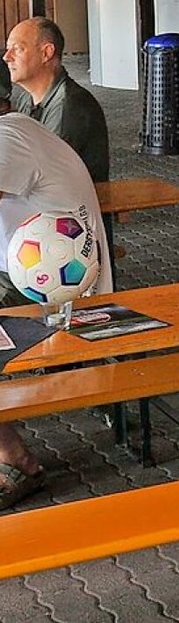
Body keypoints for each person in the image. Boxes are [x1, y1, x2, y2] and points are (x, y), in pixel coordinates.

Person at [0, 62, 112, 509]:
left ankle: (15, 458)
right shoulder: (18, 128)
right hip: (38, 275)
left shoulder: (9, 138)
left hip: (55, 294)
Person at [5, 16, 109, 182]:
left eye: (17, 49)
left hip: (73, 203)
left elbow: (43, 174)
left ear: (46, 53)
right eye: (7, 49)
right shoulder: (27, 98)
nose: (7, 57)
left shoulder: (70, 107)